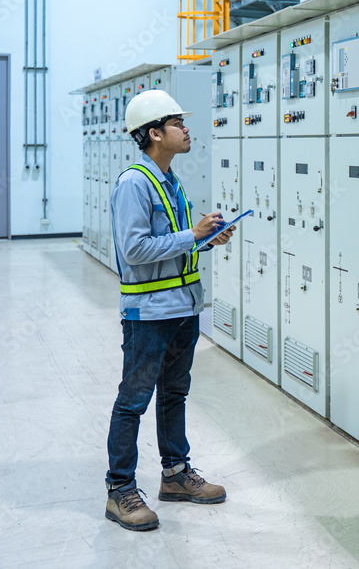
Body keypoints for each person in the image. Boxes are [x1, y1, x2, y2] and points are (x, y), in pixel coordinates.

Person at [105, 89, 235, 531]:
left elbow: (172, 246)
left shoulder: (169, 180)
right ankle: (120, 490)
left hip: (182, 308)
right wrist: (189, 235)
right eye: (178, 123)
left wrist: (203, 239)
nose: (186, 129)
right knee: (133, 401)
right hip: (149, 313)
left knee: (175, 394)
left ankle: (176, 475)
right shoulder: (134, 182)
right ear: (155, 133)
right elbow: (135, 248)